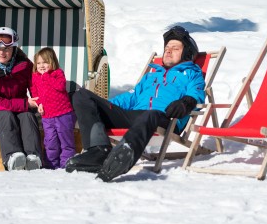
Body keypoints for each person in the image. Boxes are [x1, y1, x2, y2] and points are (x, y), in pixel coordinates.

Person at [65, 25, 205, 182]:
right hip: (134, 116)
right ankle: (98, 151)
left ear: (186, 53)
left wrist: (185, 103)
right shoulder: (151, 76)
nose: (168, 50)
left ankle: (126, 154)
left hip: (165, 117)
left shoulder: (192, 73)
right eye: (166, 47)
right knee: (82, 96)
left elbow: (196, 93)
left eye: (175, 48)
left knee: (150, 114)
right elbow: (129, 98)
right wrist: (102, 105)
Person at [0, 27, 43, 171]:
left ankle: (33, 158)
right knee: (6, 116)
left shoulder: (25, 65)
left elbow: (34, 88)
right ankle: (12, 157)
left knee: (28, 116)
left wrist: (39, 102)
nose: (2, 52)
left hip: (16, 105)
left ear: (14, 49)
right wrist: (25, 103)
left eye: (6, 49)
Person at [31, 47, 77, 169]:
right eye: (38, 63)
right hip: (47, 116)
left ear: (52, 62)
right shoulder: (35, 77)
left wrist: (46, 76)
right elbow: (34, 93)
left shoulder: (58, 73)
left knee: (66, 141)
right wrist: (39, 103)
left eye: (45, 62)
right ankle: (50, 165)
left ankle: (66, 165)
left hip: (63, 114)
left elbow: (60, 86)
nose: (41, 65)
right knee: (50, 142)